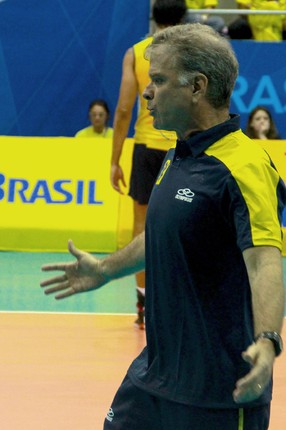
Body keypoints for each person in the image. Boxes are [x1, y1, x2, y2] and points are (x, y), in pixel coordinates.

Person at [41, 23, 286, 430]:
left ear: (197, 86)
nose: (147, 93)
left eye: (158, 80)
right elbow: (162, 234)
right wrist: (106, 270)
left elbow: (264, 263)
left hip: (216, 391)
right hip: (153, 379)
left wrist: (268, 342)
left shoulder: (244, 166)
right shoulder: (180, 152)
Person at [110, 0, 186, 329]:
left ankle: (143, 298)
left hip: (146, 148)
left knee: (141, 227)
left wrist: (114, 160)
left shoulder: (136, 53)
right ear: (183, 18)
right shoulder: (191, 51)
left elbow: (124, 110)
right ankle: (178, 299)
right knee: (183, 225)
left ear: (154, 17)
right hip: (181, 147)